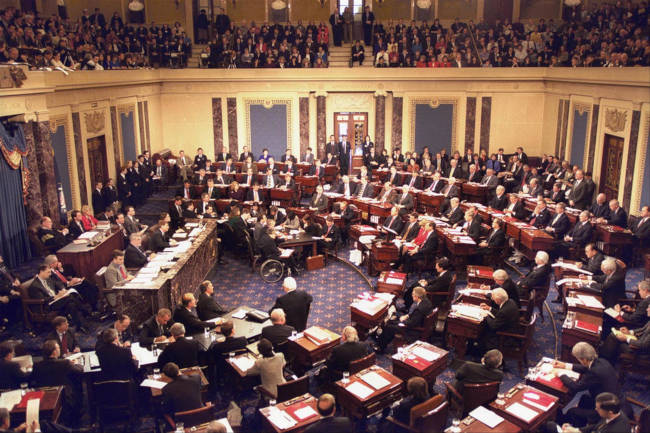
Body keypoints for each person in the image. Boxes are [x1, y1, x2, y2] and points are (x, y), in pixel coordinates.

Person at [553, 342, 621, 427]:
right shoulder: (601, 361)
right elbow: (586, 368)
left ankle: (561, 425)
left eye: (578, 359)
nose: (579, 361)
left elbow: (576, 387)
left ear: (584, 360)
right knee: (584, 398)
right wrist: (565, 365)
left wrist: (561, 374)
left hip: (607, 411)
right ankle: (580, 424)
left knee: (572, 411)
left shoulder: (594, 372)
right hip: (613, 400)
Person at [28, 265, 88, 332]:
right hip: (48, 305)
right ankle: (85, 310)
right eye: (48, 272)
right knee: (70, 298)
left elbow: (58, 283)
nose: (50, 274)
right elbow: (42, 299)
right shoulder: (35, 286)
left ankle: (80, 326)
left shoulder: (48, 279)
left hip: (57, 300)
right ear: (41, 272)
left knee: (71, 304)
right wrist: (55, 297)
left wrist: (62, 290)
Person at [376, 286, 433, 353]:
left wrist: (402, 320)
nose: (411, 296)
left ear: (417, 297)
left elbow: (411, 323)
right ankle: (381, 340)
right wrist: (407, 316)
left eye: (413, 295)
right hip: (418, 323)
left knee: (389, 326)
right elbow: (415, 318)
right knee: (391, 322)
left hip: (413, 330)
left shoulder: (419, 309)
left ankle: (380, 347)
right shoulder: (426, 301)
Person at [543, 392, 630, 433]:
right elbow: (597, 426)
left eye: (598, 408)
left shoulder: (615, 430)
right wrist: (576, 430)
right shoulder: (616, 413)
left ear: (610, 412)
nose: (595, 409)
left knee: (550, 426)